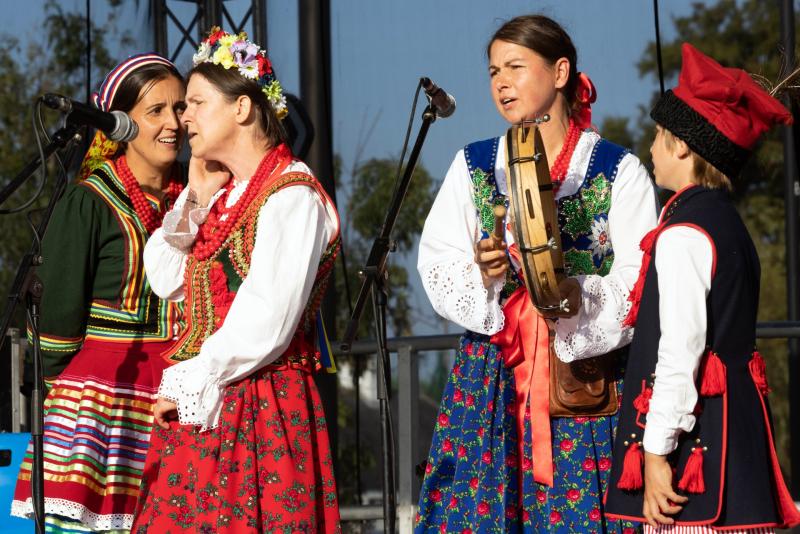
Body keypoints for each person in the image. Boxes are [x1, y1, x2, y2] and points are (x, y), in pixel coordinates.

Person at [415, 14, 658, 533]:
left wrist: (579, 294)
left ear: (560, 71)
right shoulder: (475, 164)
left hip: (585, 378)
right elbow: (436, 261)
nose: (501, 83)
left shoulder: (617, 170)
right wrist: (484, 273)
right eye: (493, 72)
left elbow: (640, 279)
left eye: (516, 67)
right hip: (494, 375)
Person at [130, 28, 341, 533]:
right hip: (207, 402)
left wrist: (194, 379)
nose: (184, 117)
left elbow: (267, 318)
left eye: (197, 103)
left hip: (262, 404)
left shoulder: (291, 195)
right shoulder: (222, 197)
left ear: (242, 108)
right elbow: (163, 276)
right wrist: (195, 199)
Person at [604, 43, 800, 534]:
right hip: (738, 448)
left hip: (696, 458)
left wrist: (655, 453)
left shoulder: (684, 234)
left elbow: (681, 350)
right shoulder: (729, 225)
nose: (650, 148)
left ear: (683, 146)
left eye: (657, 135)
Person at [10, 53, 187, 532]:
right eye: (156, 111)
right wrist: (73, 400)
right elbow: (56, 321)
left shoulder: (200, 197)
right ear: (120, 124)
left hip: (179, 399)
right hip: (102, 408)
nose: (173, 123)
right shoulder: (89, 202)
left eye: (180, 108)